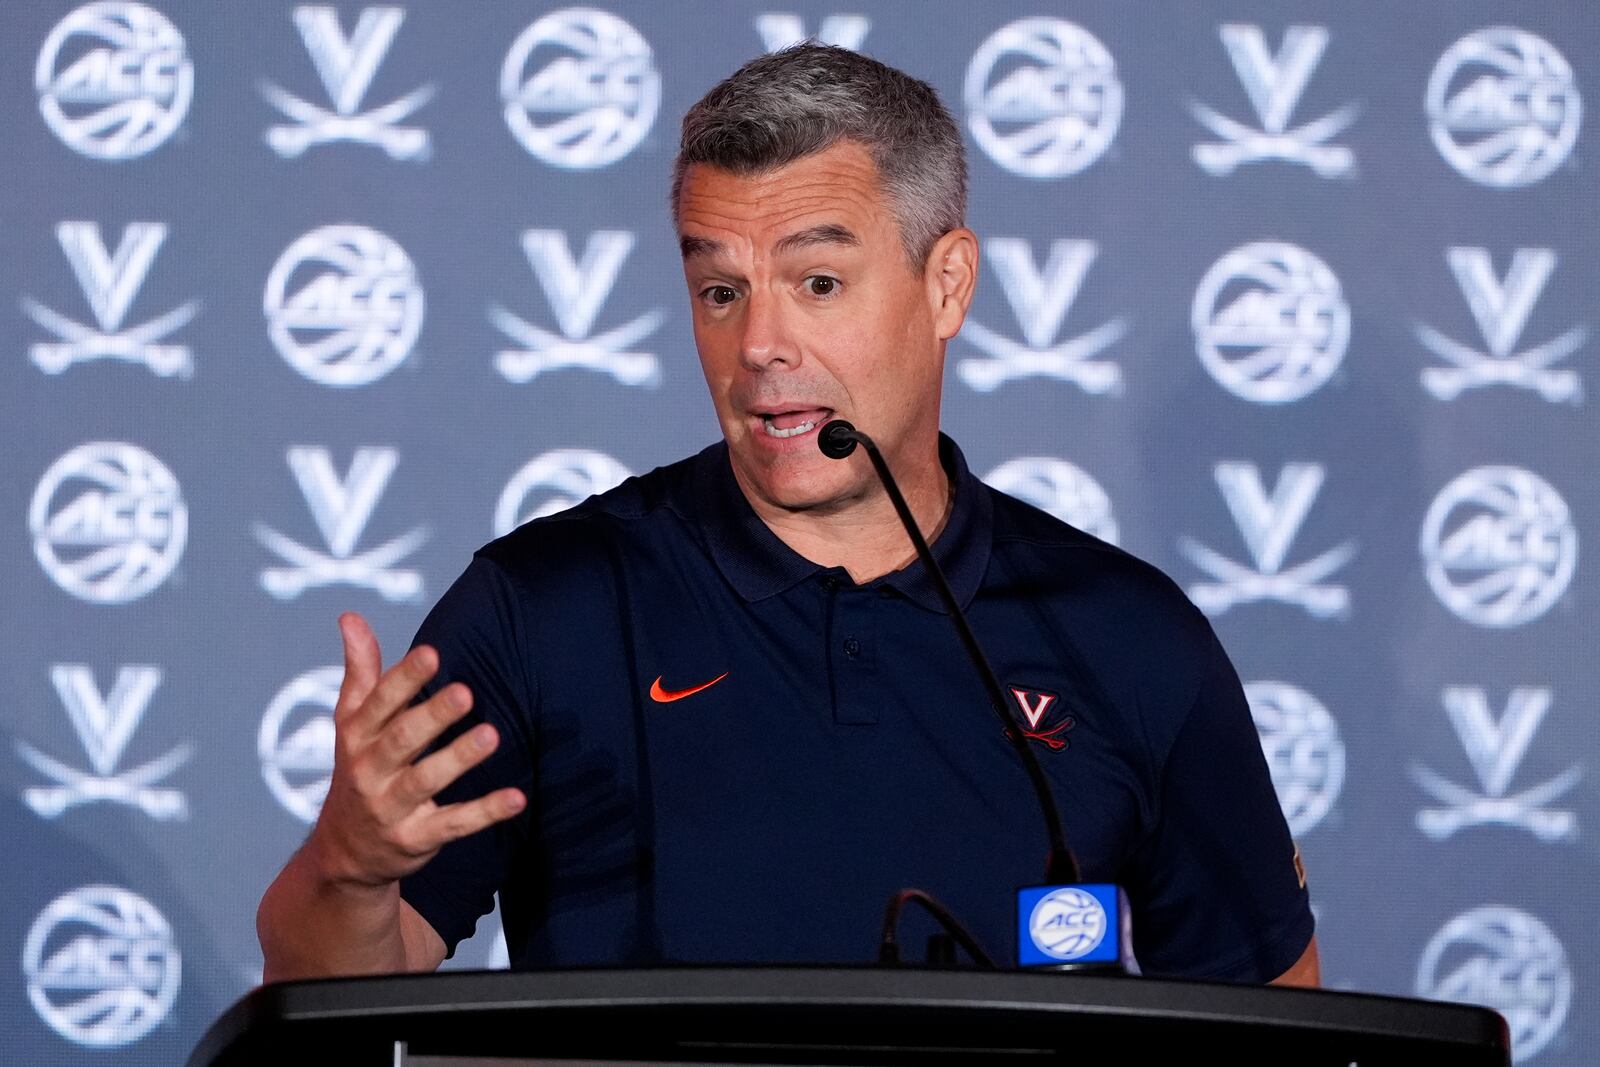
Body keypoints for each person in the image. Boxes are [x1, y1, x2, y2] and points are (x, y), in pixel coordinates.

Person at [258, 44, 1320, 987]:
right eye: (721, 291)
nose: (759, 343)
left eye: (816, 281)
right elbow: (338, 987)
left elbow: (1274, 1019)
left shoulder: (1124, 636)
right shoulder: (545, 607)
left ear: (946, 285)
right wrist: (348, 873)